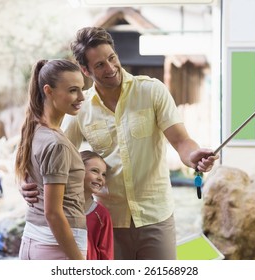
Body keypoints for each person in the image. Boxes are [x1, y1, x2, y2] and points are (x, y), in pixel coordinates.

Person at [21, 27, 219, 260]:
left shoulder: (152, 90)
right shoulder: (81, 108)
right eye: (100, 65)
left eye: (112, 58)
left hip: (156, 216)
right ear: (85, 70)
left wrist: (194, 155)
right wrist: (26, 183)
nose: (111, 68)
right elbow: (55, 155)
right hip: (108, 222)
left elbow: (181, 140)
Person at [15, 59, 86, 260]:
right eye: (73, 90)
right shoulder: (57, 143)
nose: (81, 96)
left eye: (81, 89)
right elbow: (53, 214)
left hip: (31, 241)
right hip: (57, 247)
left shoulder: (33, 130)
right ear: (49, 90)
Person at [81, 150, 114, 260]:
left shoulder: (102, 214)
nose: (100, 178)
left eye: (104, 174)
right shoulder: (57, 207)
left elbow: (106, 255)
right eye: (95, 171)